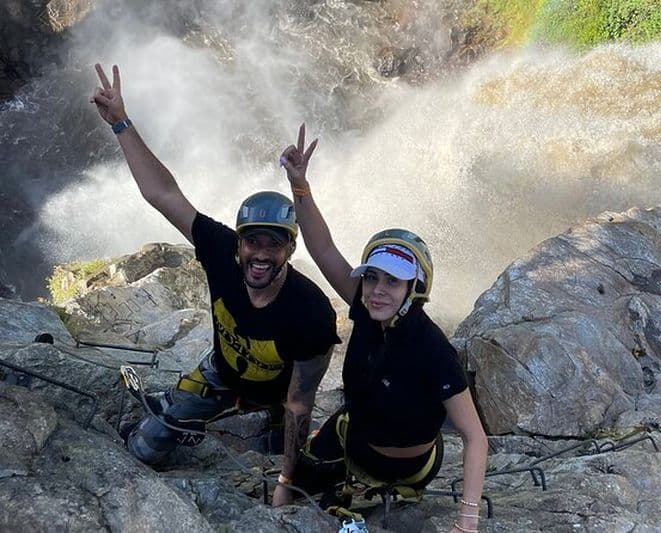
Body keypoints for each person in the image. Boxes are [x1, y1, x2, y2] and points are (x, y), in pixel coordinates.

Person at [90, 65, 340, 506]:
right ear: (239, 242)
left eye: (274, 245)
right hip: (223, 374)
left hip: (283, 397)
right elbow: (163, 194)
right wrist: (121, 124)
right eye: (252, 242)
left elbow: (303, 403)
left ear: (289, 250)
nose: (261, 254)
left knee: (284, 428)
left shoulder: (311, 311)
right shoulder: (221, 251)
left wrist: (286, 483)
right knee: (143, 447)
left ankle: (268, 424)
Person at [279, 125, 488, 533]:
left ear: (415, 288)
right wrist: (300, 186)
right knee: (302, 470)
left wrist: (467, 522)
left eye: (392, 282)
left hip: (411, 468)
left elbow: (475, 437)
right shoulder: (365, 305)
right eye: (372, 278)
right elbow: (322, 248)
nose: (377, 291)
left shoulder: (433, 349)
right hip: (357, 440)